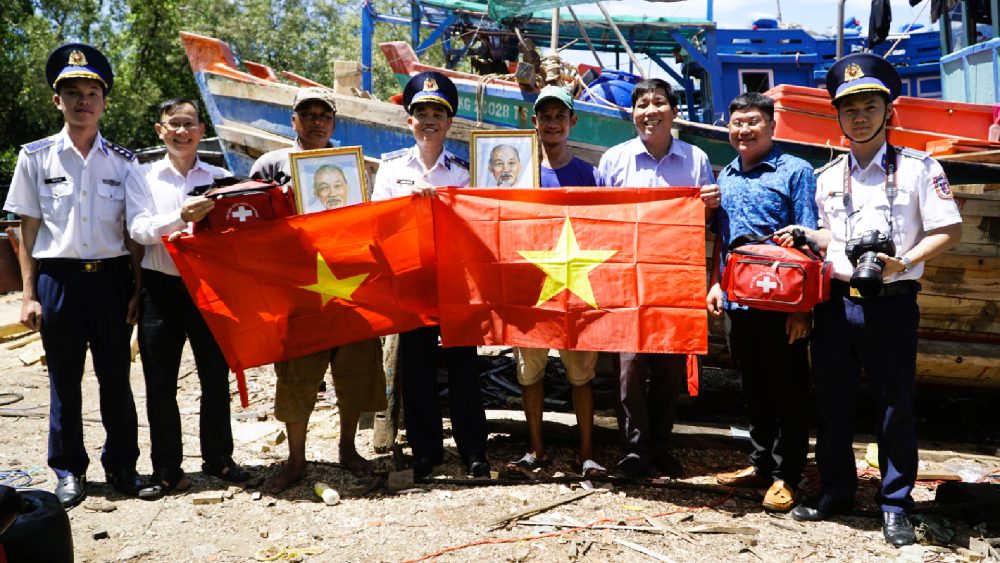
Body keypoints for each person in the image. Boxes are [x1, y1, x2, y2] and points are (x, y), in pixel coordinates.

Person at [780, 53, 962, 547]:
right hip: (837, 301)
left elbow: (949, 228)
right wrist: (806, 236)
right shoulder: (826, 177)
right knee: (833, 401)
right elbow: (833, 239)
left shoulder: (920, 168)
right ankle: (836, 491)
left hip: (892, 300)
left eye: (869, 107)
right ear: (837, 117)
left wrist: (902, 262)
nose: (859, 117)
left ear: (888, 111)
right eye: (849, 109)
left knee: (894, 405)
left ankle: (896, 503)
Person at [3, 43, 145, 507]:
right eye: (73, 93)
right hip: (59, 280)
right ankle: (68, 470)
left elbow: (134, 233)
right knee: (64, 381)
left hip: (111, 281)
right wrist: (28, 294)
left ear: (103, 103)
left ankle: (122, 465)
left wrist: (137, 289)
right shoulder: (36, 157)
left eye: (91, 93)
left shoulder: (123, 162)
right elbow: (26, 229)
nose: (83, 101)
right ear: (57, 100)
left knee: (115, 379)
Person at [250, 87, 387, 493]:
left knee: (355, 369)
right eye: (307, 114)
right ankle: (296, 459)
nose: (316, 121)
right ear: (293, 120)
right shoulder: (271, 164)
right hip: (297, 286)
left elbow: (367, 219)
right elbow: (252, 222)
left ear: (333, 122)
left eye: (323, 115)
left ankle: (348, 448)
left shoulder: (353, 164)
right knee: (297, 375)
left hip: (347, 281)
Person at [125, 98, 252, 497]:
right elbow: (139, 229)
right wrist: (181, 216)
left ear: (201, 130)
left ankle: (219, 457)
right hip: (160, 289)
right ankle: (166, 467)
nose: (182, 131)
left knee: (215, 377)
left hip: (209, 288)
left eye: (189, 123)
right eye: (174, 124)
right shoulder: (142, 176)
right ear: (159, 130)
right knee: (160, 383)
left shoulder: (221, 177)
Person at [597, 78, 720, 480]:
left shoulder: (696, 159)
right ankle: (635, 449)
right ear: (632, 113)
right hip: (627, 277)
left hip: (674, 276)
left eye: (659, 102)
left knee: (669, 364)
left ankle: (662, 445)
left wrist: (708, 206)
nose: (650, 111)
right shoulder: (614, 160)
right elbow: (599, 221)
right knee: (629, 367)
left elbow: (704, 222)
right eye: (642, 104)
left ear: (674, 111)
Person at [371, 71, 490, 478]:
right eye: (421, 113)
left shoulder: (463, 173)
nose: (429, 121)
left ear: (449, 122)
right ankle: (425, 451)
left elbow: (479, 224)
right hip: (412, 279)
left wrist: (444, 204)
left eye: (437, 114)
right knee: (417, 367)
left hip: (456, 280)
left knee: (463, 366)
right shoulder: (390, 170)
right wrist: (409, 207)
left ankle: (473, 450)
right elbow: (377, 223)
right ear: (409, 120)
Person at [706, 92, 817, 512]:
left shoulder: (795, 171)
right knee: (753, 387)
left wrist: (803, 309)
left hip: (782, 303)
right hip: (739, 301)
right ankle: (761, 465)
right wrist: (716, 285)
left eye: (753, 122)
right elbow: (723, 240)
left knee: (789, 389)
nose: (744, 130)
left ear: (772, 126)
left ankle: (788, 475)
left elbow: (808, 241)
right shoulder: (727, 175)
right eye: (737, 123)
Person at [505, 86, 605, 479]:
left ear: (572, 121)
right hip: (529, 287)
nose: (552, 123)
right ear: (534, 122)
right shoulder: (517, 173)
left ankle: (587, 453)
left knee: (581, 374)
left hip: (576, 286)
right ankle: (536, 449)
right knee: (530, 371)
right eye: (544, 117)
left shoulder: (590, 175)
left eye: (559, 116)